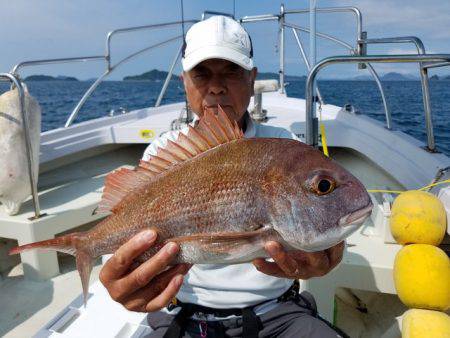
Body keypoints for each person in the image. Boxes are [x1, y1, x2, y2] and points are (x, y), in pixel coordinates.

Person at [99, 15, 346, 338]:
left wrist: (333, 254)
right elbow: (131, 239)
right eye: (202, 73)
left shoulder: (286, 150)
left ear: (252, 78)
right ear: (184, 81)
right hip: (182, 316)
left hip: (278, 313)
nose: (216, 86)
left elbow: (328, 223)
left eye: (231, 71)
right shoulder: (162, 152)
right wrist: (127, 278)